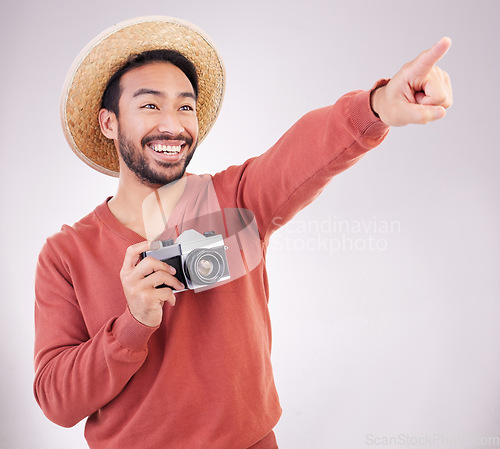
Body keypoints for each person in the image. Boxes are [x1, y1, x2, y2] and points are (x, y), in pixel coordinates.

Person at [33, 16, 452, 449]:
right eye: (150, 105)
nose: (174, 125)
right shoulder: (66, 253)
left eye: (185, 106)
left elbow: (303, 151)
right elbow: (55, 401)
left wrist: (378, 105)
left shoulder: (235, 199)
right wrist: (133, 323)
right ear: (109, 122)